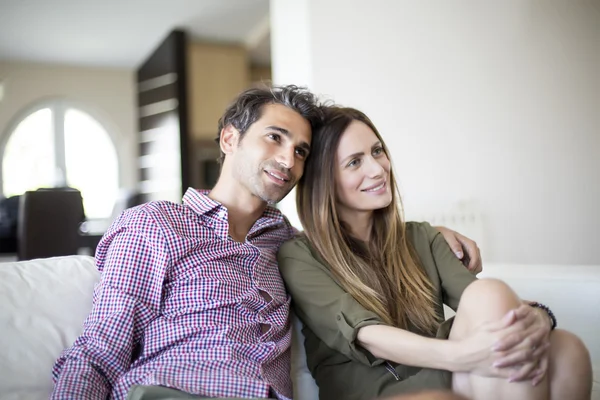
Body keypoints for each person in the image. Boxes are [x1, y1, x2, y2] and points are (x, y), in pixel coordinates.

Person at [51, 86, 483, 400]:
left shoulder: (288, 246)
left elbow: (349, 247)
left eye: (301, 151)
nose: (288, 159)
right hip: (174, 391)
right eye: (275, 137)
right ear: (229, 139)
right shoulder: (156, 225)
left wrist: (428, 237)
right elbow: (99, 350)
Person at [277, 107, 593, 400]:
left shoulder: (422, 237)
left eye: (377, 151)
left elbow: (487, 305)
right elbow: (368, 335)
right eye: (354, 162)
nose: (378, 169)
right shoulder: (300, 255)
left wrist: (539, 318)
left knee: (566, 348)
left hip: (443, 369)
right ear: (324, 182)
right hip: (380, 388)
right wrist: (466, 356)